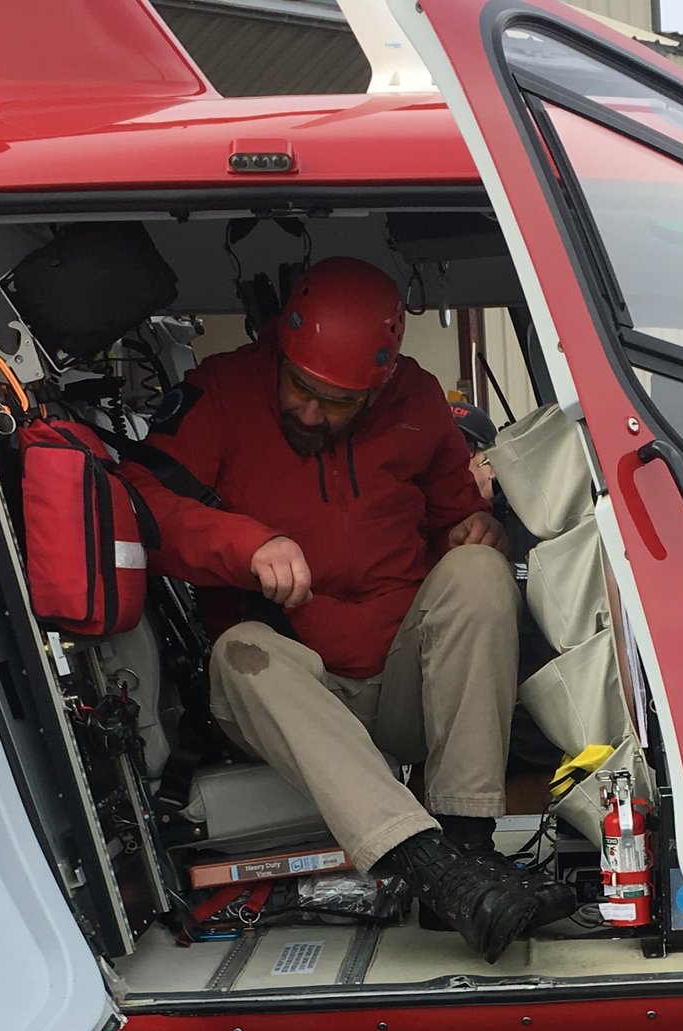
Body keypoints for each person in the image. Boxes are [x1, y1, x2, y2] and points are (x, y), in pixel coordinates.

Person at [122, 257, 574, 962]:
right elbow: (138, 498)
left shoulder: (419, 402)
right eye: (300, 388)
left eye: (337, 402)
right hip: (295, 691)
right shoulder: (224, 392)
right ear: (281, 353)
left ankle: (467, 841)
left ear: (383, 382)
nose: (311, 411)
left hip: (402, 689)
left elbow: (458, 512)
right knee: (241, 653)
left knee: (482, 571)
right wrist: (244, 543)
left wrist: (473, 529)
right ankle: (436, 871)